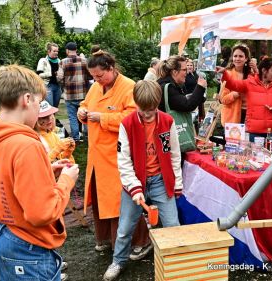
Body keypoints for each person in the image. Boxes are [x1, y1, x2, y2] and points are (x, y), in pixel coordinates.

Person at [0, 64, 79, 281]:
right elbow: (42, 213)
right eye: (38, 103)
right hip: (28, 246)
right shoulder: (27, 145)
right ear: (27, 99)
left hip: (3, 235)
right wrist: (66, 182)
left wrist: (45, 172)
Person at [103, 80, 182, 281]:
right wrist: (135, 188)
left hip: (160, 181)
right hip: (135, 183)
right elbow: (123, 160)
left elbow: (174, 153)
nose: (147, 114)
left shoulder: (166, 122)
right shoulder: (127, 124)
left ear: (157, 105)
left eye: (152, 109)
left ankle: (175, 261)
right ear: (135, 103)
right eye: (143, 109)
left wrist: (177, 182)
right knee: (125, 227)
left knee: (172, 224)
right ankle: (118, 261)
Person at [77, 49, 151, 257]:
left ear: (111, 68)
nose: (97, 80)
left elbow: (133, 117)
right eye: (93, 77)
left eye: (100, 75)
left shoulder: (129, 87)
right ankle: (107, 239)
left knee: (122, 201)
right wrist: (81, 112)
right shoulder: (96, 87)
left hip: (117, 156)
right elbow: (85, 104)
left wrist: (102, 118)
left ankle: (140, 240)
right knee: (101, 200)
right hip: (96, 155)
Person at [216, 57, 272, 152]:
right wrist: (224, 73)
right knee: (256, 160)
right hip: (255, 131)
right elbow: (233, 84)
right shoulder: (250, 82)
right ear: (264, 71)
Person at [218, 44, 257, 126]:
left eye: (240, 56)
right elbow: (223, 100)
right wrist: (236, 94)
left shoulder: (251, 74)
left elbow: (260, 90)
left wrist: (256, 70)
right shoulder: (227, 74)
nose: (237, 59)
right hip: (232, 120)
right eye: (235, 56)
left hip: (250, 117)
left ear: (246, 58)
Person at [61, 42, 91, 142]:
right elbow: (90, 75)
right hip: (83, 94)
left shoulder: (63, 62)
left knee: (72, 117)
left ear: (67, 50)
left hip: (69, 95)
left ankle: (76, 138)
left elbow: (59, 78)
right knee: (85, 115)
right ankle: (87, 136)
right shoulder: (84, 61)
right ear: (76, 50)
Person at [37, 42, 63, 108]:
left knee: (55, 107)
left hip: (58, 86)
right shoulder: (43, 60)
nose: (56, 53)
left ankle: (53, 118)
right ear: (49, 51)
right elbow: (39, 75)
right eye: (54, 51)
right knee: (50, 107)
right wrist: (51, 73)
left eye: (57, 51)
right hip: (47, 86)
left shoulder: (59, 61)